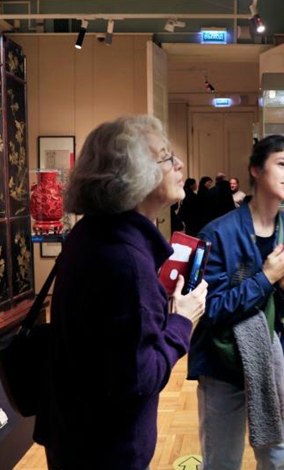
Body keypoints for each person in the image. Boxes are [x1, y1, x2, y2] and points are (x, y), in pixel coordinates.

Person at [36, 115, 207, 470]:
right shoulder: (125, 258)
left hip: (76, 434)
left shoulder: (94, 234)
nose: (179, 165)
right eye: (165, 157)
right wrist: (181, 320)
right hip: (106, 449)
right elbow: (139, 381)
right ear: (132, 177)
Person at [189, 135, 284, 470]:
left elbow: (282, 309)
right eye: (282, 164)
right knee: (222, 460)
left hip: (271, 355)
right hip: (223, 362)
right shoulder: (217, 233)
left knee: (277, 458)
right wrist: (266, 277)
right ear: (255, 170)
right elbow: (213, 309)